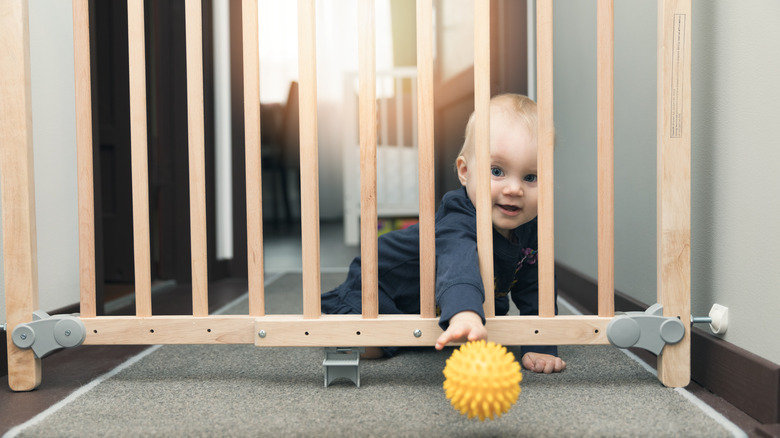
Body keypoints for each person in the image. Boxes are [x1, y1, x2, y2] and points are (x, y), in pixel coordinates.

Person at [321, 94, 566, 373]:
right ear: (465, 172)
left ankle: (452, 315)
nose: (514, 189)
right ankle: (349, 324)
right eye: (497, 171)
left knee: (485, 313)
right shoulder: (457, 218)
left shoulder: (531, 226)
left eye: (530, 177)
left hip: (435, 300)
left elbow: (536, 285)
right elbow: (457, 265)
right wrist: (466, 315)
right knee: (375, 344)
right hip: (384, 286)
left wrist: (541, 343)